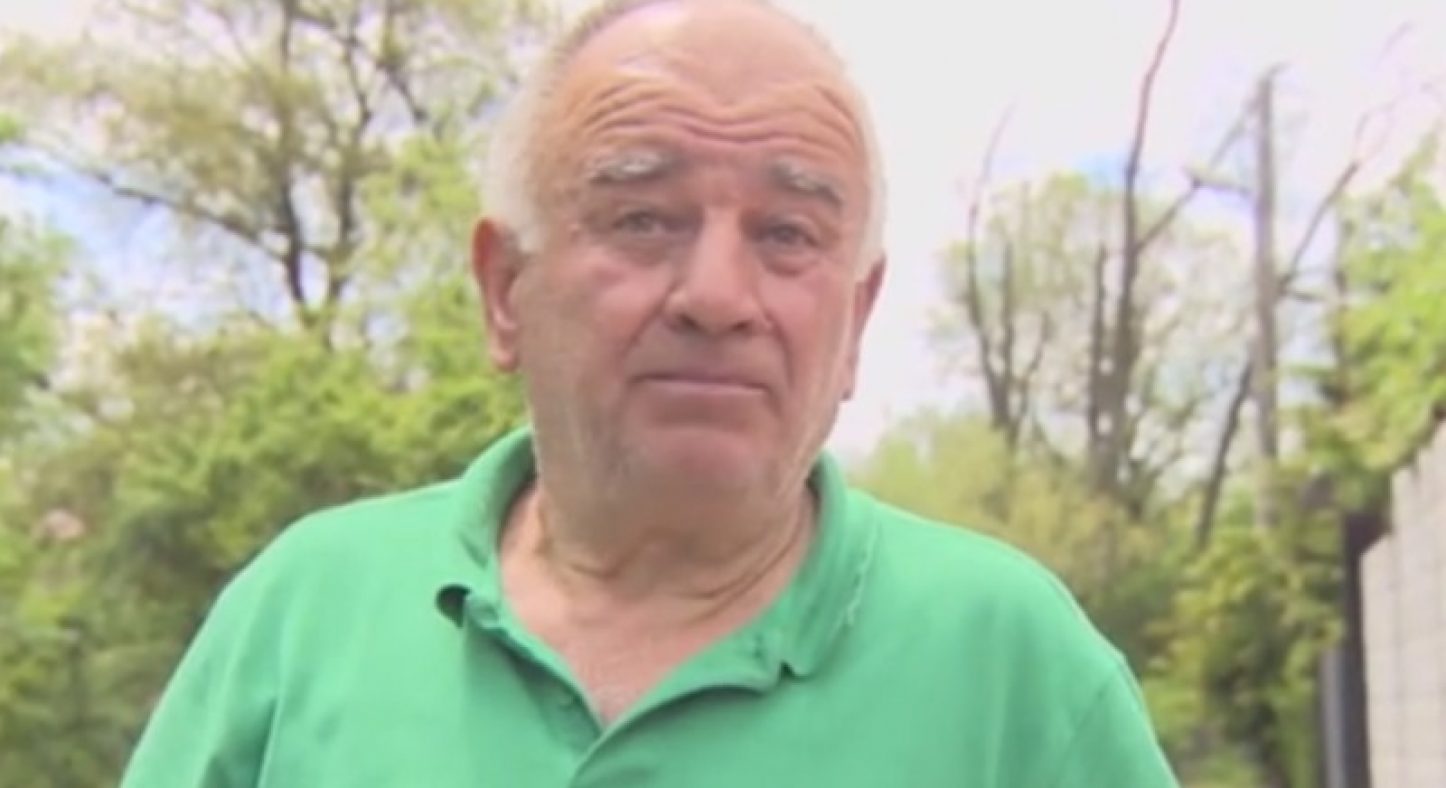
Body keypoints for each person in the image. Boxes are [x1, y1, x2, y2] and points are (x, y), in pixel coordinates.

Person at [120, 0, 1180, 785]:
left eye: (787, 233)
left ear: (856, 320)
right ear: (505, 289)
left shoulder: (1011, 663)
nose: (717, 296)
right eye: (643, 218)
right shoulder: (303, 611)